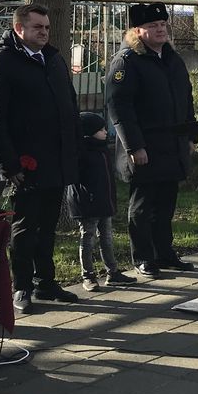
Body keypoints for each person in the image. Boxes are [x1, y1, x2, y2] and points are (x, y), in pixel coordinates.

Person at [0, 3, 80, 314]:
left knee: (48, 225)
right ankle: (21, 285)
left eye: (47, 27)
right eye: (37, 27)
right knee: (25, 227)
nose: (44, 32)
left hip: (55, 159)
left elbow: (69, 104)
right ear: (19, 28)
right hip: (25, 164)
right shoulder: (3, 63)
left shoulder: (53, 59)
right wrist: (10, 164)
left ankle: (45, 282)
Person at [105, 2, 196, 278]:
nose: (160, 30)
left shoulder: (172, 58)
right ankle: (143, 257)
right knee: (143, 207)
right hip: (145, 146)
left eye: (162, 25)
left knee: (166, 204)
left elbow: (185, 98)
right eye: (152, 26)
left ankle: (164, 253)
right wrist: (135, 146)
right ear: (137, 30)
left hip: (172, 145)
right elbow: (119, 107)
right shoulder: (127, 61)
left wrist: (190, 135)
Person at [69, 112, 134, 293]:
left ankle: (112, 272)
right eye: (101, 129)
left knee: (106, 237)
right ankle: (88, 275)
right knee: (87, 238)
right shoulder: (81, 152)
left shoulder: (103, 150)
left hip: (104, 202)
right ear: (89, 132)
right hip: (88, 204)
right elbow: (77, 179)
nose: (106, 132)